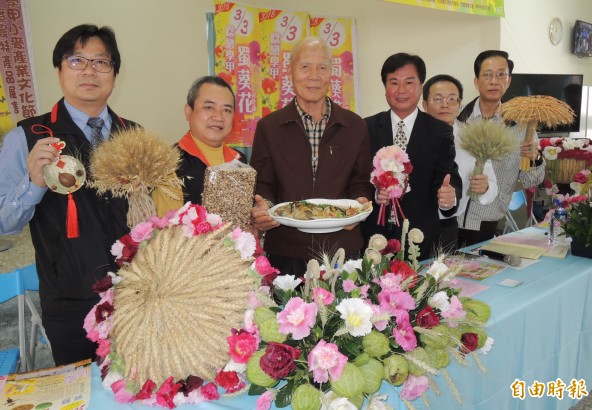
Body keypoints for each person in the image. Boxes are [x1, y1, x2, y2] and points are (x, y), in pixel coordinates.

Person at [0, 24, 139, 366]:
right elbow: (5, 223)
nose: (90, 70)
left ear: (114, 74)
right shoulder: (27, 137)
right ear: (59, 70)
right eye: (77, 60)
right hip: (69, 303)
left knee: (137, 388)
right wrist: (34, 181)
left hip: (135, 297)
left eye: (101, 62)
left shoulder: (133, 135)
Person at [250, 37, 372, 277]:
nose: (314, 75)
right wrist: (265, 208)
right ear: (290, 71)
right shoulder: (269, 127)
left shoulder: (355, 126)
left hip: (342, 248)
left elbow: (361, 181)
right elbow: (265, 184)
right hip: (286, 250)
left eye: (322, 68)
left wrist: (359, 206)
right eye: (305, 66)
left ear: (331, 75)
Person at [361, 53, 462, 260]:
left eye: (409, 82)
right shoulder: (366, 127)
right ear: (385, 87)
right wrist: (373, 193)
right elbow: (357, 176)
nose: (401, 90)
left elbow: (448, 175)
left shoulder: (439, 131)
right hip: (373, 236)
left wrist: (450, 197)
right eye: (394, 82)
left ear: (421, 86)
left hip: (419, 236)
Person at [457, 50, 545, 246]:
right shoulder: (458, 119)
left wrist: (536, 157)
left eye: (501, 74)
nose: (494, 81)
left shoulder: (522, 127)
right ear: (476, 81)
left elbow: (531, 179)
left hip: (489, 219)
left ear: (509, 80)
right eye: (487, 75)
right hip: (450, 215)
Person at [422, 74, 498, 251]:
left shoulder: (474, 137)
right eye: (438, 99)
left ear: (459, 104)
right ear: (425, 105)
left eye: (452, 99)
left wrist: (484, 187)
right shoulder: (412, 136)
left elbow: (493, 188)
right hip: (415, 223)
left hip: (450, 226)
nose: (445, 105)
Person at [152, 76, 246, 216]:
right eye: (209, 107)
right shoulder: (169, 163)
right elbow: (169, 230)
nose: (219, 117)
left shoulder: (240, 161)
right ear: (188, 112)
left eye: (227, 110)